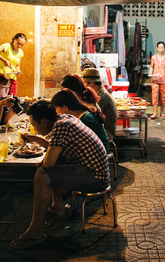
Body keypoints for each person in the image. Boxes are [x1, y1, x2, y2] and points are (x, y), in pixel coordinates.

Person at [11, 100, 109, 249]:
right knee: (55, 166)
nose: (34, 128)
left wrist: (41, 144)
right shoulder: (65, 118)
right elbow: (57, 147)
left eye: (34, 124)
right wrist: (36, 139)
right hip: (95, 171)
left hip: (95, 177)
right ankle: (57, 207)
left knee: (42, 175)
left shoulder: (61, 126)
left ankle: (35, 231)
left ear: (44, 122)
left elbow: (48, 163)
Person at [82, 68, 118, 140]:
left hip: (107, 132)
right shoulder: (100, 92)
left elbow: (92, 118)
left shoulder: (101, 97)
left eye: (84, 83)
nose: (83, 86)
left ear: (91, 83)